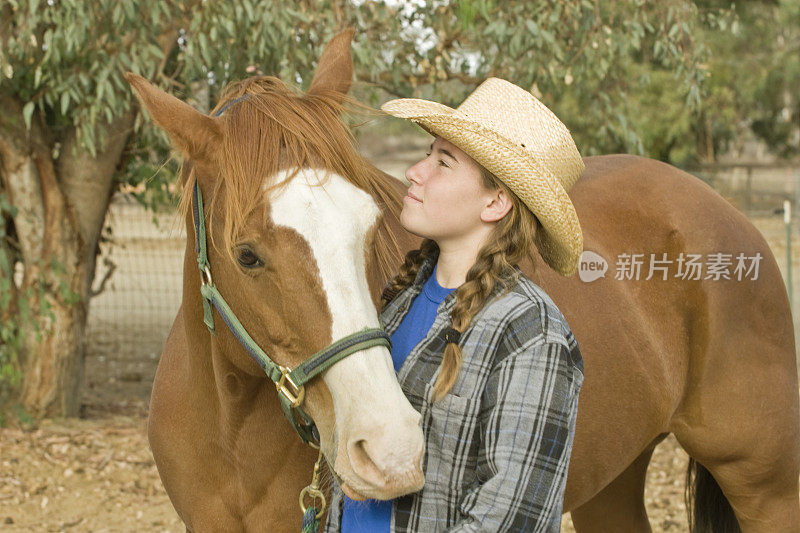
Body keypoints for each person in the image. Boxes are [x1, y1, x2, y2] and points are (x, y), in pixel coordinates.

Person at [323, 77, 586, 533]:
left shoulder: (532, 333)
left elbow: (510, 519)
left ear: (496, 201)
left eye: (443, 163)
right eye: (428, 154)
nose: (414, 172)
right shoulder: (398, 300)